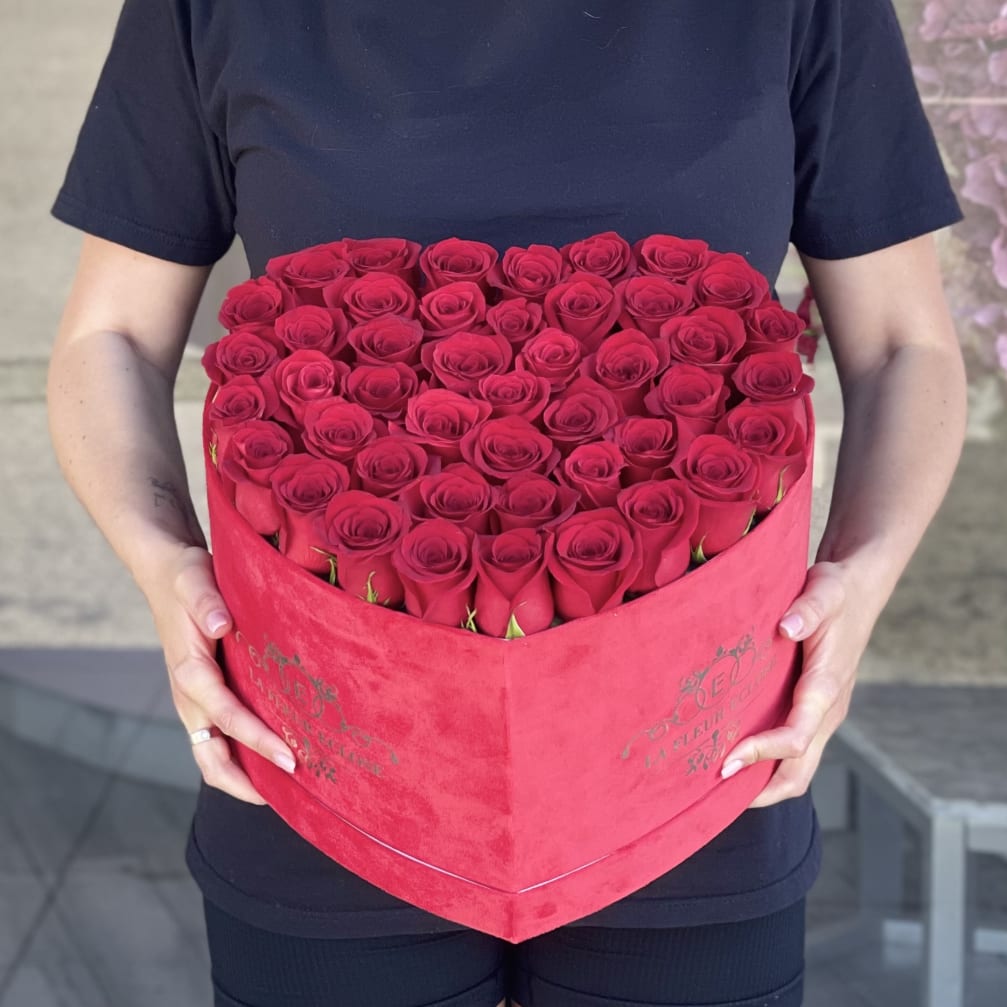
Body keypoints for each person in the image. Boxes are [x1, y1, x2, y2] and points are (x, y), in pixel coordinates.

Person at [46, 1, 968, 1005]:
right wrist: (164, 562)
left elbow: (899, 345)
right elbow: (113, 337)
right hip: (328, 755)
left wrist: (857, 578)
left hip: (694, 761)